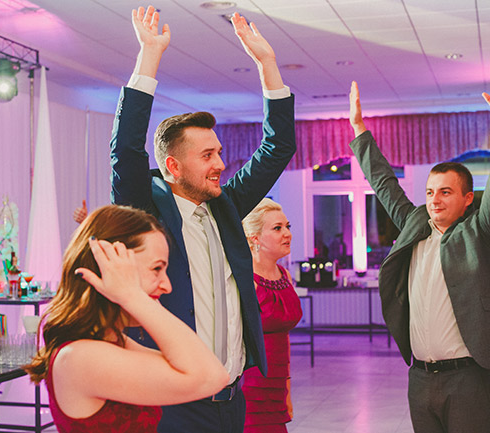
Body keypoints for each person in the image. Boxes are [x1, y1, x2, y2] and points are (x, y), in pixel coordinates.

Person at [110, 6, 295, 432]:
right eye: (207, 155)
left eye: (219, 153)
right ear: (173, 167)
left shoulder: (226, 207)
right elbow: (126, 150)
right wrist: (149, 55)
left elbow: (278, 148)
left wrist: (267, 65)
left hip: (233, 398)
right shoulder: (146, 215)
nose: (220, 164)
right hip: (176, 404)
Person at [348, 66, 490, 433]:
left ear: (467, 198)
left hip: (468, 380)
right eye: (430, 192)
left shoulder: (481, 231)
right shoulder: (415, 225)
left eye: (445, 192)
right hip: (420, 379)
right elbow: (384, 184)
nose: (434, 200)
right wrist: (360, 130)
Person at [24, 205, 228, 433]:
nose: (167, 286)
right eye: (157, 269)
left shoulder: (111, 341)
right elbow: (210, 377)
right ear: (110, 269)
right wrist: (133, 296)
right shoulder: (80, 357)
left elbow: (202, 370)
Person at [241, 198, 302, 433]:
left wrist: (287, 389)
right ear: (255, 238)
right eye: (277, 228)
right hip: (250, 386)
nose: (287, 234)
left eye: (287, 226)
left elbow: (283, 338)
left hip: (277, 386)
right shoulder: (243, 278)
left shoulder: (284, 274)